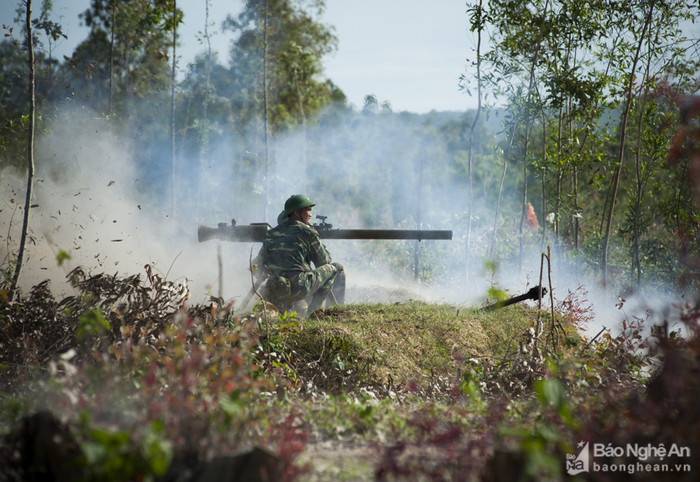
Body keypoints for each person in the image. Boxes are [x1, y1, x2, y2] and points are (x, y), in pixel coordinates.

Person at [254, 194, 345, 315]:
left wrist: (262, 274)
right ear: (297, 212)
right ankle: (313, 313)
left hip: (275, 289)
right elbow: (323, 262)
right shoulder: (307, 232)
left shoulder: (271, 234)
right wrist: (318, 241)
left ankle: (286, 309)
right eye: (308, 210)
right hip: (299, 288)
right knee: (334, 268)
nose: (310, 214)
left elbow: (255, 264)